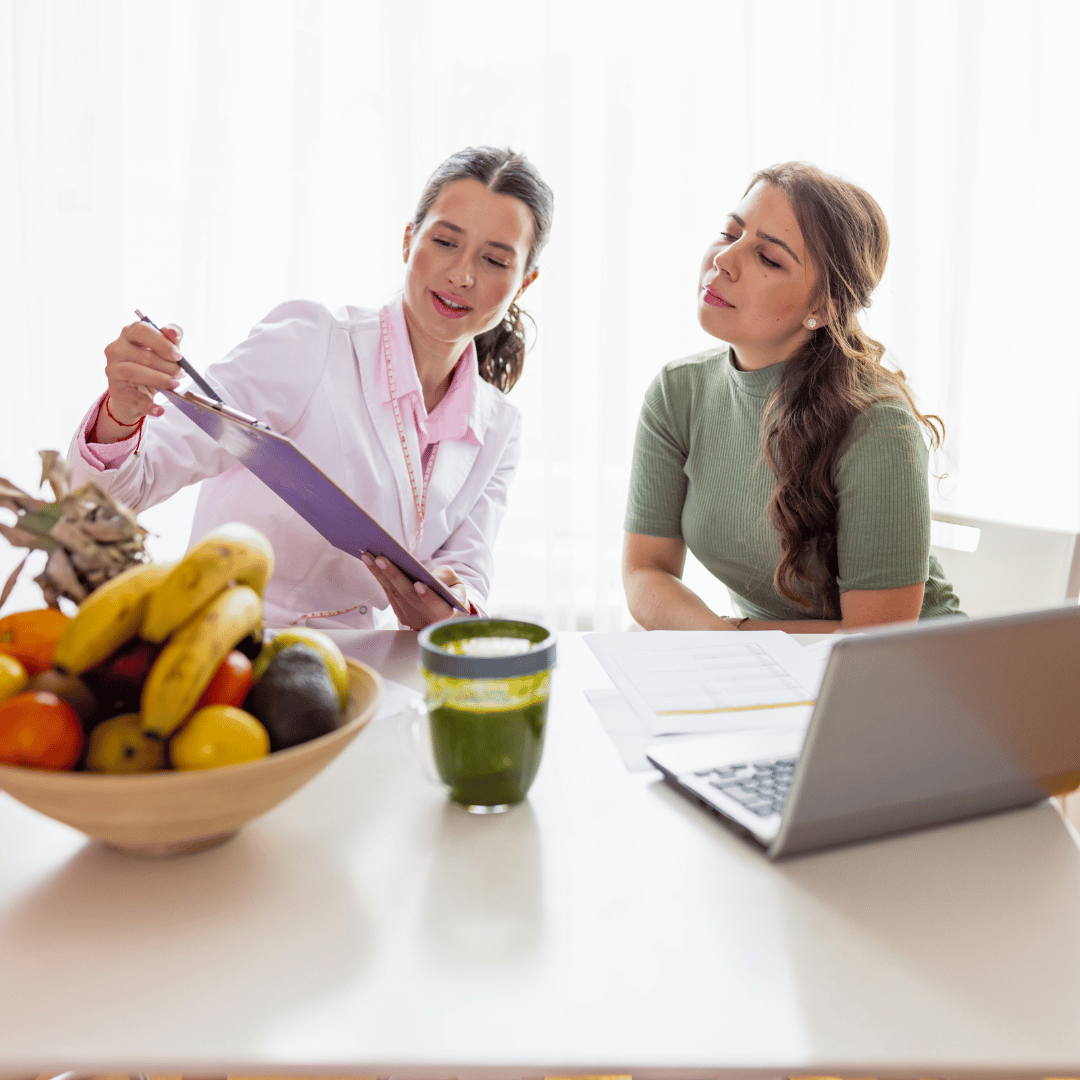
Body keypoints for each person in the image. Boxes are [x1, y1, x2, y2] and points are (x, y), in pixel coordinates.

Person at [66, 146, 553, 630]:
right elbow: (131, 486)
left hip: (364, 671)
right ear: (409, 241)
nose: (462, 275)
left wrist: (450, 608)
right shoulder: (310, 342)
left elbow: (467, 573)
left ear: (524, 282)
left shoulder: (499, 428)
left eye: (493, 260)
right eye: (445, 242)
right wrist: (123, 412)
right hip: (228, 643)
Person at [623, 161, 962, 632]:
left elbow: (878, 641)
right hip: (772, 667)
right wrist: (722, 641)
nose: (723, 260)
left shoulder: (878, 421)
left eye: (769, 258)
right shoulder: (677, 392)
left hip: (906, 676)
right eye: (729, 233)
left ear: (823, 308)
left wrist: (735, 641)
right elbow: (645, 570)